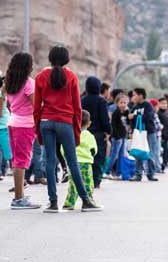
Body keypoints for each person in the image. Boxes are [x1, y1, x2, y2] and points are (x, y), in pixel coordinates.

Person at [34, 45, 102, 213]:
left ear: (50, 58)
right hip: (65, 123)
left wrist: (38, 132)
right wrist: (77, 133)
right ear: (66, 59)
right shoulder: (71, 76)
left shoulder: (41, 77)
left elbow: (36, 107)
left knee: (50, 163)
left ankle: (53, 202)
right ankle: (86, 201)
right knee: (72, 162)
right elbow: (77, 108)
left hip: (46, 122)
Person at [4, 52, 41, 209]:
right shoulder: (28, 83)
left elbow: (8, 106)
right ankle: (19, 199)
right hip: (25, 126)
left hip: (13, 123)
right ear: (28, 66)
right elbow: (36, 106)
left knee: (17, 161)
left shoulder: (10, 83)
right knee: (22, 161)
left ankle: (19, 196)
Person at [62, 110, 98, 211]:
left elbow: (63, 148)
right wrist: (91, 154)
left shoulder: (71, 134)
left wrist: (65, 156)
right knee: (88, 183)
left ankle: (69, 203)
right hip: (86, 163)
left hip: (73, 163)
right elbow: (94, 149)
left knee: (73, 184)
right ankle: (88, 200)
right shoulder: (89, 135)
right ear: (89, 123)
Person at [81, 77, 112, 189]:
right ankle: (96, 180)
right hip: (98, 134)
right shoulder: (101, 101)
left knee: (85, 156)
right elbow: (105, 119)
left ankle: (85, 179)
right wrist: (108, 131)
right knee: (98, 157)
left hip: (84, 132)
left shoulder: (82, 100)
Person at [129, 88, 160, 182]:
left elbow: (149, 117)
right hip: (138, 133)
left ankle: (151, 174)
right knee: (138, 153)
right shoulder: (135, 107)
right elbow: (131, 120)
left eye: (134, 95)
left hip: (149, 132)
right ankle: (138, 174)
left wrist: (134, 116)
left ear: (141, 95)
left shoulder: (148, 105)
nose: (133, 97)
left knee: (150, 153)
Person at [105, 93, 130, 179]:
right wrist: (117, 137)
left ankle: (119, 173)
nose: (123, 104)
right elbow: (113, 126)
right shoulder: (116, 113)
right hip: (117, 137)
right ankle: (107, 172)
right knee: (114, 155)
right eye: (121, 103)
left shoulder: (126, 112)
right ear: (117, 104)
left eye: (125, 103)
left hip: (124, 136)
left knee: (121, 155)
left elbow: (128, 123)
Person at [157, 97, 168, 169]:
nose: (164, 105)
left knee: (166, 150)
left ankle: (165, 163)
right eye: (162, 103)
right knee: (162, 150)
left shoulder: (165, 112)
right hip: (162, 135)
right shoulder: (158, 113)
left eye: (165, 103)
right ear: (159, 104)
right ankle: (162, 164)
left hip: (167, 135)